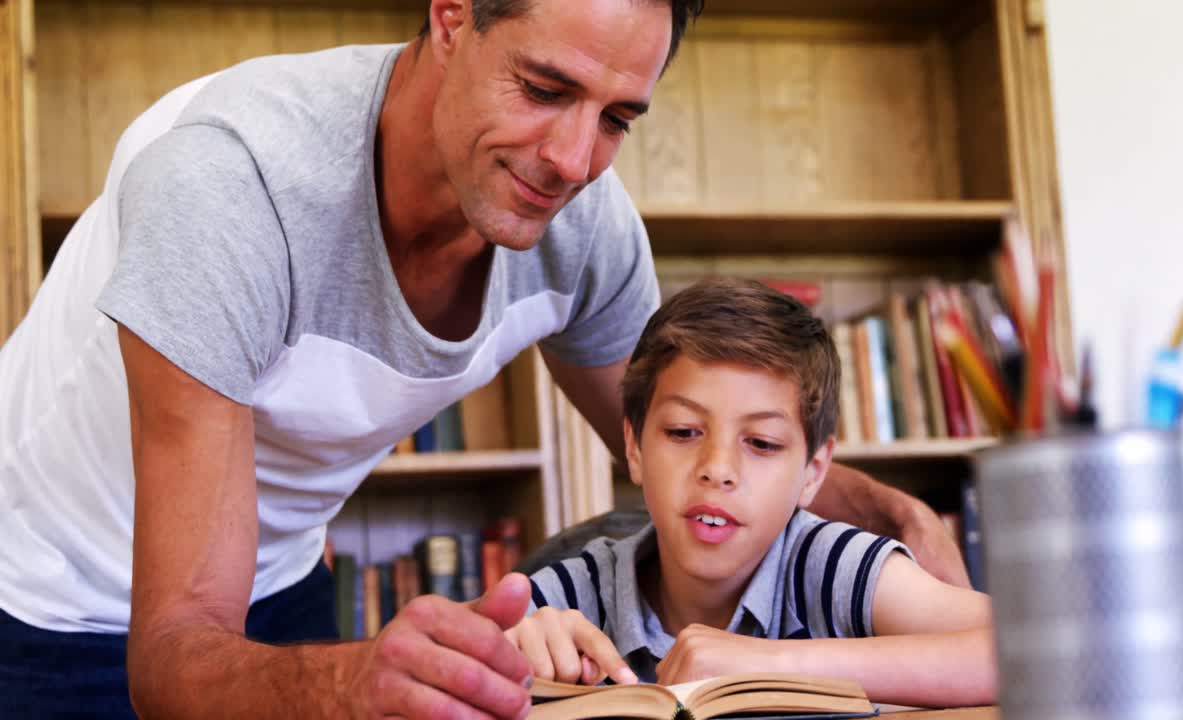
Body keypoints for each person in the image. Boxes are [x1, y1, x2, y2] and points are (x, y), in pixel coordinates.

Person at [0, 1, 965, 718]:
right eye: (545, 90)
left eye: (618, 117)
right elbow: (170, 653)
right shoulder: (227, 184)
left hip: (275, 576)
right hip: (44, 593)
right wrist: (348, 678)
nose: (574, 160)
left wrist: (886, 510)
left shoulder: (583, 226)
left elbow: (689, 432)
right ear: (451, 15)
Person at [511, 279, 996, 708]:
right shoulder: (574, 596)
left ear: (813, 473)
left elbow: (1021, 647)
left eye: (761, 443)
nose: (717, 470)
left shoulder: (831, 567)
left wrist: (769, 665)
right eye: (682, 432)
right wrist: (512, 653)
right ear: (634, 448)